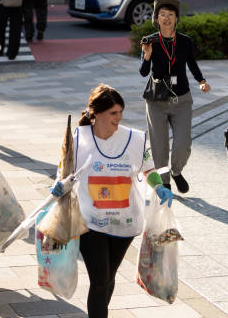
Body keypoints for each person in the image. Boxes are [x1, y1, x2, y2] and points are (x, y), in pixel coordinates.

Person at [50, 84, 174, 318]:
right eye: (113, 113)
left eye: (120, 112)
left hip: (123, 222)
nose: (118, 118)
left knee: (108, 279)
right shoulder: (77, 137)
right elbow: (64, 171)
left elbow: (149, 169)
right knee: (99, 280)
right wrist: (59, 184)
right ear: (96, 113)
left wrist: (159, 186)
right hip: (90, 221)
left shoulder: (136, 139)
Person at [139, 0, 211, 193]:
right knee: (159, 145)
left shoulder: (185, 41)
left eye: (171, 15)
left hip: (182, 99)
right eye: (162, 14)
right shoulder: (151, 41)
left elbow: (192, 64)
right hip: (156, 101)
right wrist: (146, 55)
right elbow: (143, 72)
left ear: (176, 18)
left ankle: (176, 171)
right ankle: (165, 182)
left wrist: (202, 81)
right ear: (156, 18)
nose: (167, 18)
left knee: (183, 143)